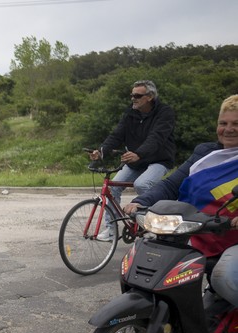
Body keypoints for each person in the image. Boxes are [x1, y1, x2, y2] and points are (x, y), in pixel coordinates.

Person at [124, 95, 238, 309]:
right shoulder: (205, 154)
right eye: (223, 123)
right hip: (197, 231)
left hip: (233, 239)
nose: (228, 129)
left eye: (236, 124)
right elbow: (171, 185)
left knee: (226, 276)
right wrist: (142, 201)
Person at [90, 80, 176, 241]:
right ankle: (111, 229)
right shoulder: (131, 113)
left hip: (159, 160)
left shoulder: (165, 112)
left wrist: (139, 153)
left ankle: (152, 226)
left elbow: (157, 137)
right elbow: (117, 135)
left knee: (142, 184)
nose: (133, 99)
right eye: (132, 95)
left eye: (137, 95)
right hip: (136, 161)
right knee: (114, 187)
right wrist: (101, 152)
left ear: (149, 97)